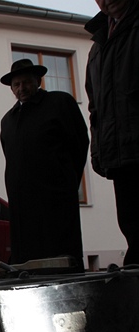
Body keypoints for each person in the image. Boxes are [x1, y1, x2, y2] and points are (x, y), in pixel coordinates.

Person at [0, 59, 89, 271]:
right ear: (12, 88)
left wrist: (65, 179)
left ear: (38, 81)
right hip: (22, 203)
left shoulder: (59, 103)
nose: (22, 88)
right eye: (17, 85)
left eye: (27, 82)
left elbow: (78, 144)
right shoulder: (8, 120)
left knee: (60, 255)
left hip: (55, 197)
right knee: (29, 261)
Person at [85, 0, 139, 266]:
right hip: (121, 156)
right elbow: (96, 109)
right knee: (131, 226)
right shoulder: (97, 47)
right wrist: (98, 152)